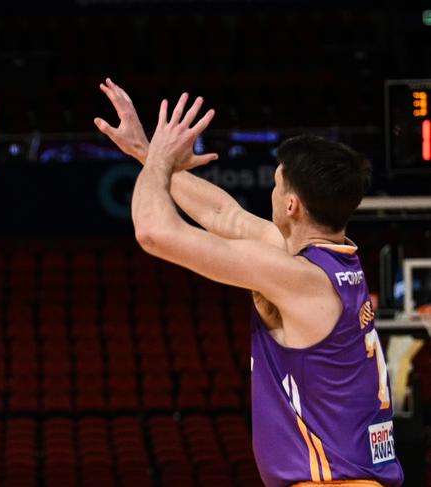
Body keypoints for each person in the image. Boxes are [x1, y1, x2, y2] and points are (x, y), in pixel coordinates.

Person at [95, 79, 404, 487]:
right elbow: (226, 216)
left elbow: (153, 231)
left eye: (276, 186)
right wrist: (144, 150)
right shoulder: (329, 259)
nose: (272, 194)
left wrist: (160, 161)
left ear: (291, 205)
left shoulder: (299, 278)